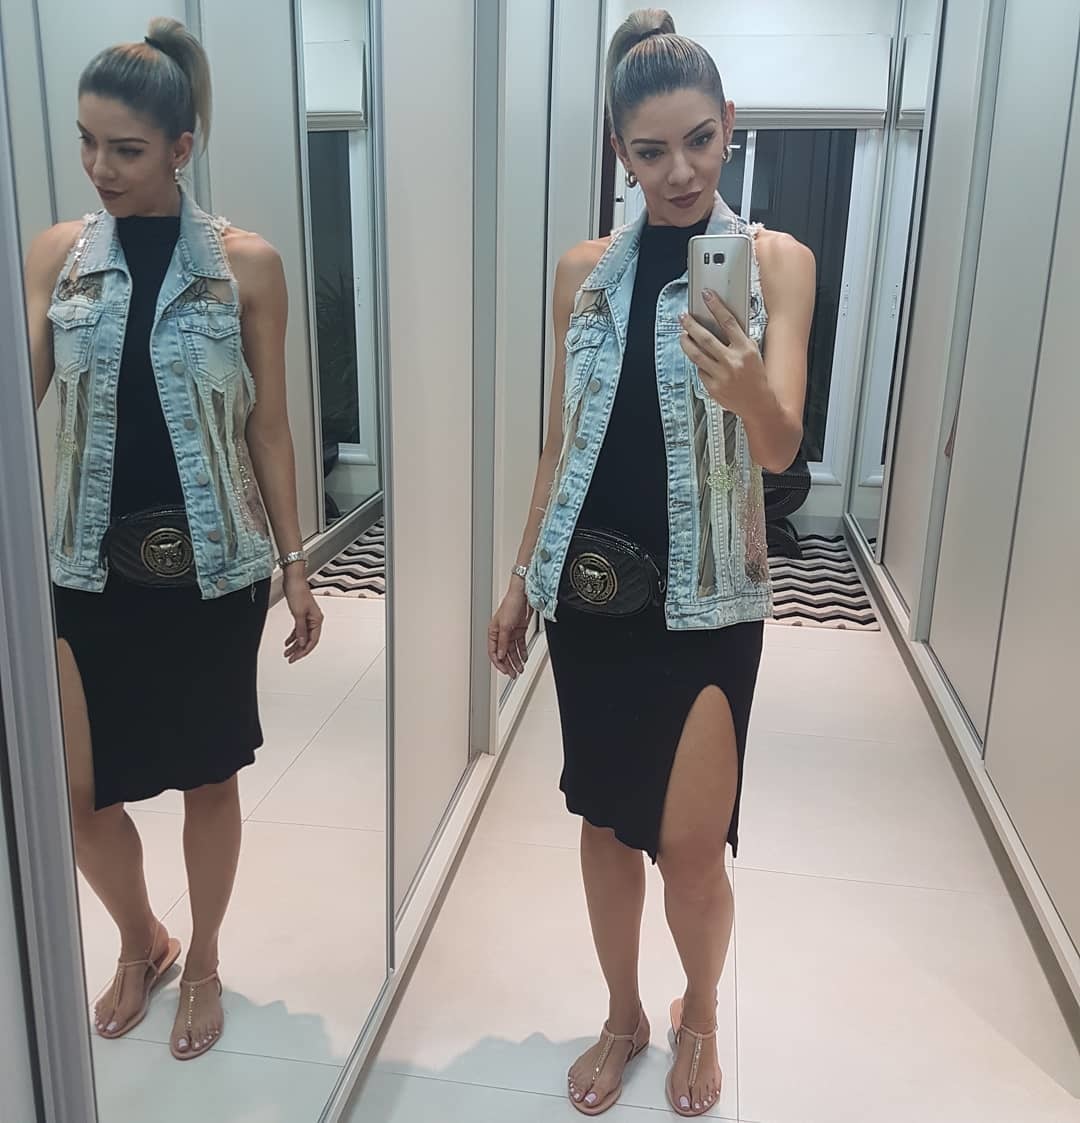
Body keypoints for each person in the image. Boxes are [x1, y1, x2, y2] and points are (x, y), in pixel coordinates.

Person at [488, 8, 815, 1118]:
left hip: (711, 600)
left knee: (689, 847)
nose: (679, 173)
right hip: (590, 595)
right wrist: (520, 578)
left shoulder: (776, 264)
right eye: (650, 150)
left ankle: (700, 1009)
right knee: (603, 820)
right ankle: (624, 1011)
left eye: (700, 142)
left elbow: (781, 450)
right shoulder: (584, 272)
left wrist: (748, 386)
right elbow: (561, 441)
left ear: (730, 126)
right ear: (618, 152)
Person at [23, 18, 324, 1061]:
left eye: (127, 148)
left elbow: (270, 427)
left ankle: (204, 960)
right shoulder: (58, 257)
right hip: (82, 567)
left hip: (212, 569)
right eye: (87, 142)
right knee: (75, 794)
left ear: (181, 148)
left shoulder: (247, 266)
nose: (100, 167)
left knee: (208, 777)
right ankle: (141, 938)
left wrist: (296, 565)